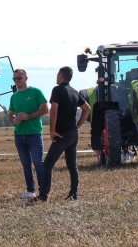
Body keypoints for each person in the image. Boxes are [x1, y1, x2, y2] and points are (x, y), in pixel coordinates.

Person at [37, 66, 90, 203]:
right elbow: (87, 109)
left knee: (48, 164)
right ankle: (73, 193)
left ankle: (43, 195)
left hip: (62, 134)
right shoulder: (74, 92)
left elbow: (54, 109)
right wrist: (78, 125)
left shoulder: (57, 90)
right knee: (72, 164)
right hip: (73, 133)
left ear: (60, 76)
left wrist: (52, 130)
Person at [7, 69, 49, 201]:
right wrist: (14, 120)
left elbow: (45, 109)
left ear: (26, 78)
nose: (17, 81)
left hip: (34, 134)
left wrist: (29, 116)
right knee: (26, 164)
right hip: (19, 135)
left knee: (38, 162)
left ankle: (44, 191)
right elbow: (10, 115)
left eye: (19, 78)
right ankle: (30, 190)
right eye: (14, 79)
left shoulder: (36, 92)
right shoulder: (14, 97)